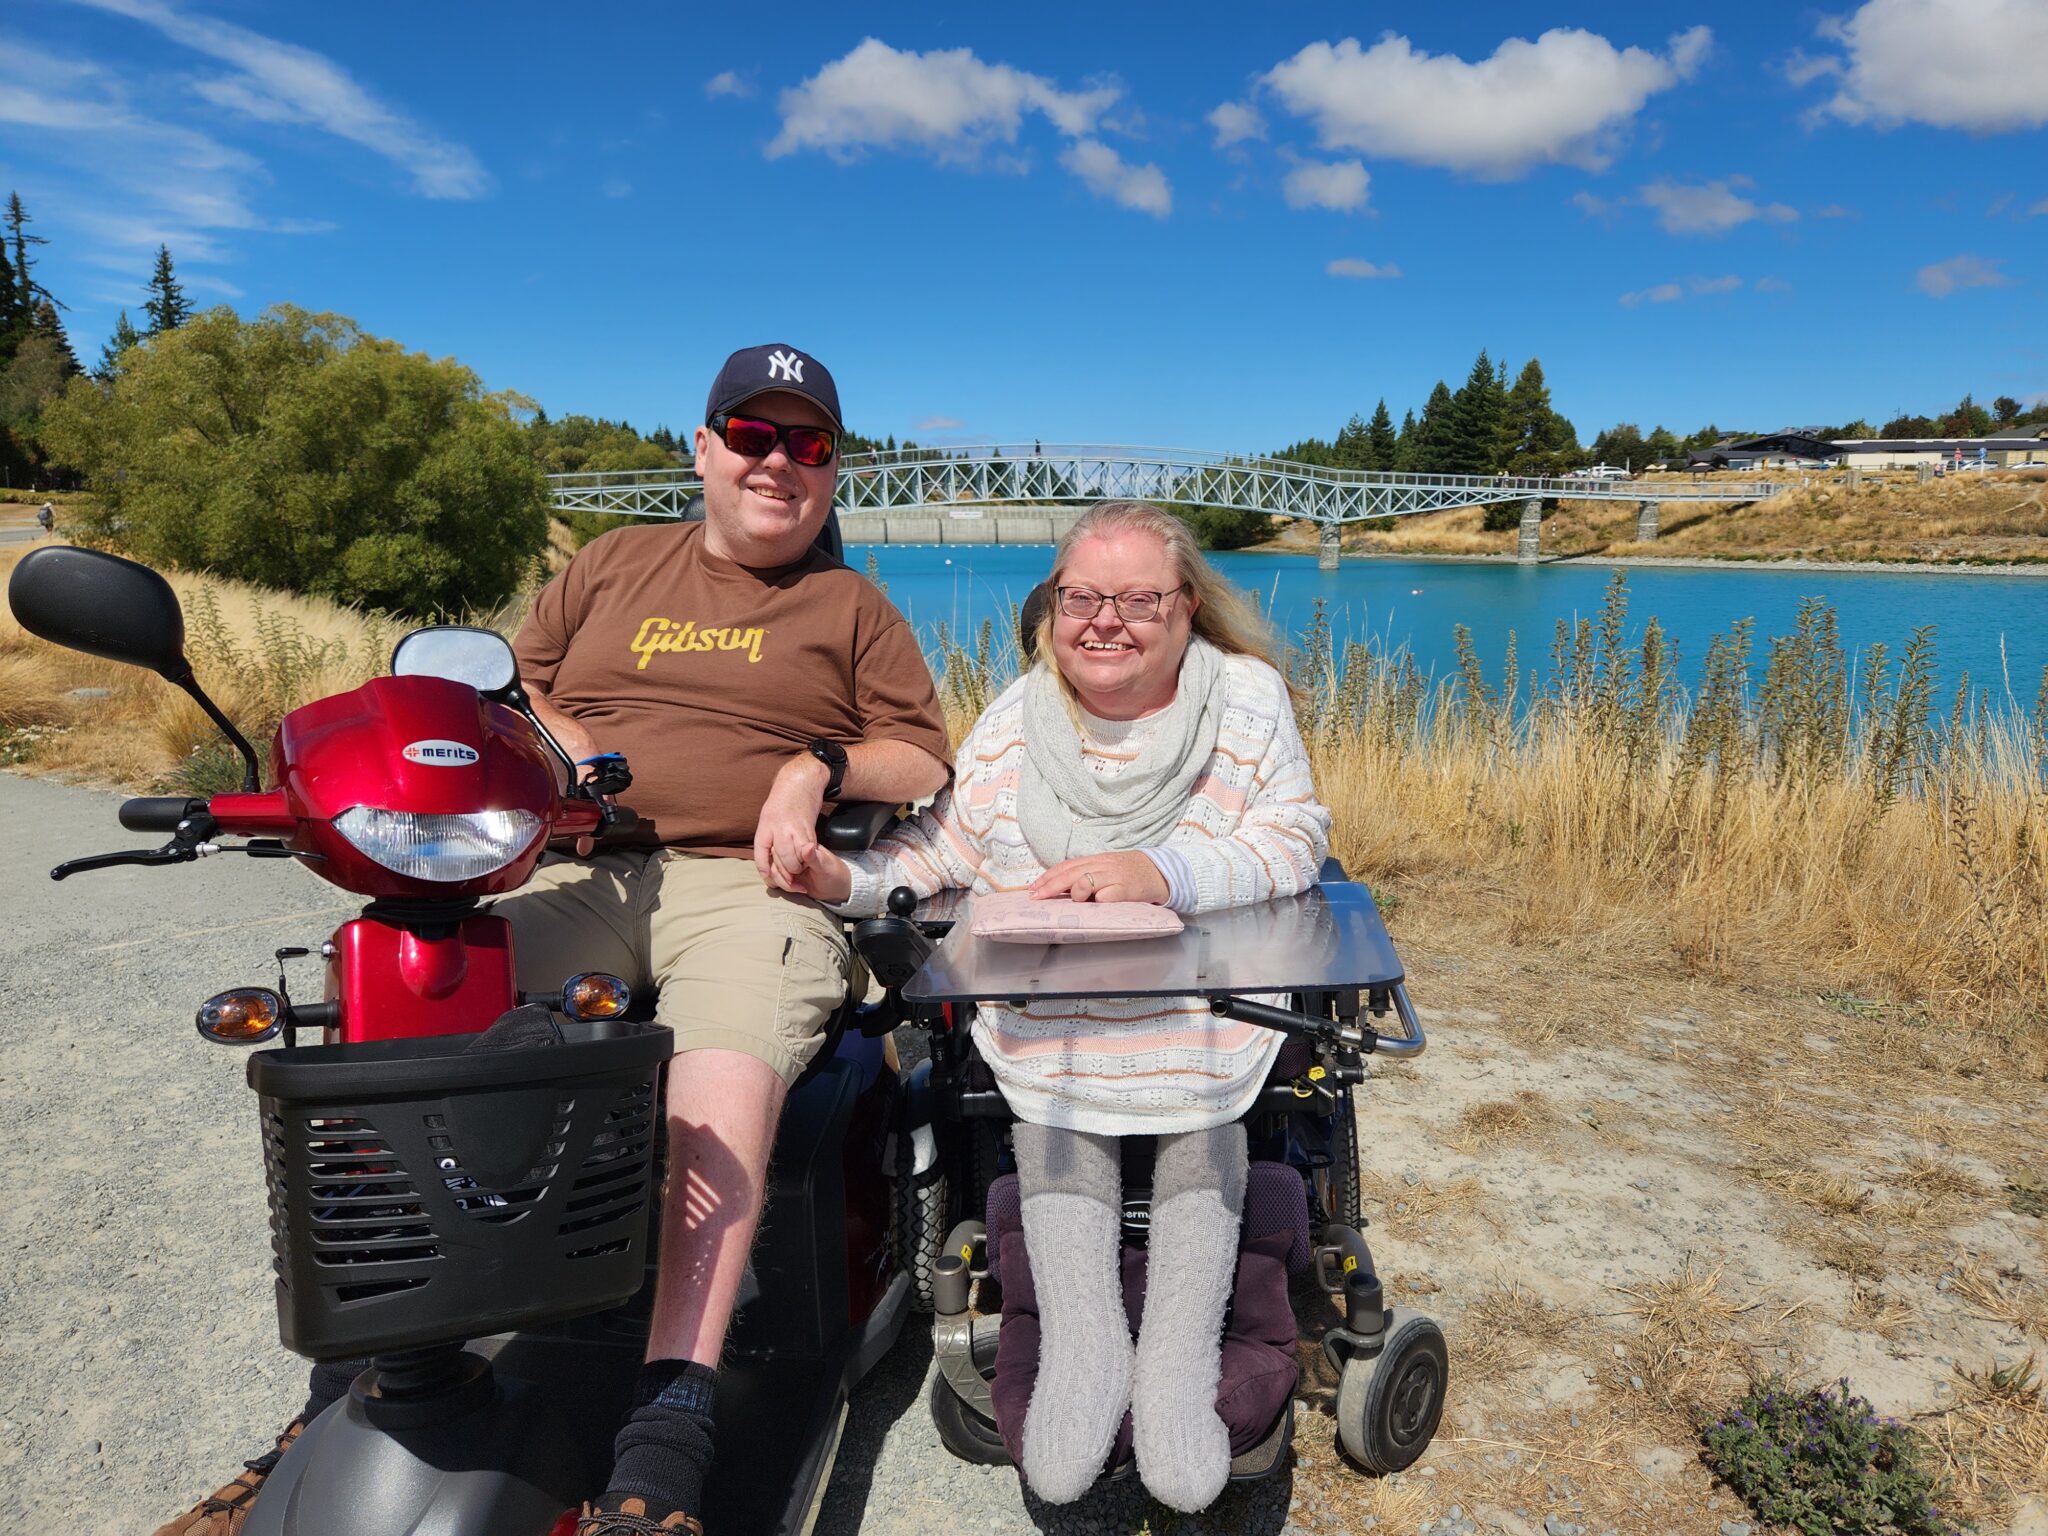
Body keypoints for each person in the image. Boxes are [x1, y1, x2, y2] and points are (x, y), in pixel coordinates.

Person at [153, 344, 952, 1536]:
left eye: (808, 444)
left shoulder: (851, 607)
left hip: (741, 883)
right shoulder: (613, 564)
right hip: (581, 865)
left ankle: (665, 1438)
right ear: (704, 447)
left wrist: (813, 764)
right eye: (752, 434)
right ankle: (349, 1386)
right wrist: (556, 748)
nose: (778, 462)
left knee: (721, 1072)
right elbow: (504, 694)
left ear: (832, 472)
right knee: (401, 1007)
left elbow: (921, 753)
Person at [784, 499, 1331, 1512]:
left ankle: (1173, 1364)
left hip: (1199, 1017)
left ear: (1185, 608)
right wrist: (843, 882)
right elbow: (943, 854)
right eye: (1082, 596)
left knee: (1199, 1130)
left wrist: (1160, 870)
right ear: (1051, 607)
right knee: (1054, 1123)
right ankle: (1082, 1348)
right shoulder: (1014, 719)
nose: (1105, 620)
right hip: (1057, 1023)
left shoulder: (1245, 702)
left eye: (1136, 598)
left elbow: (1293, 840)